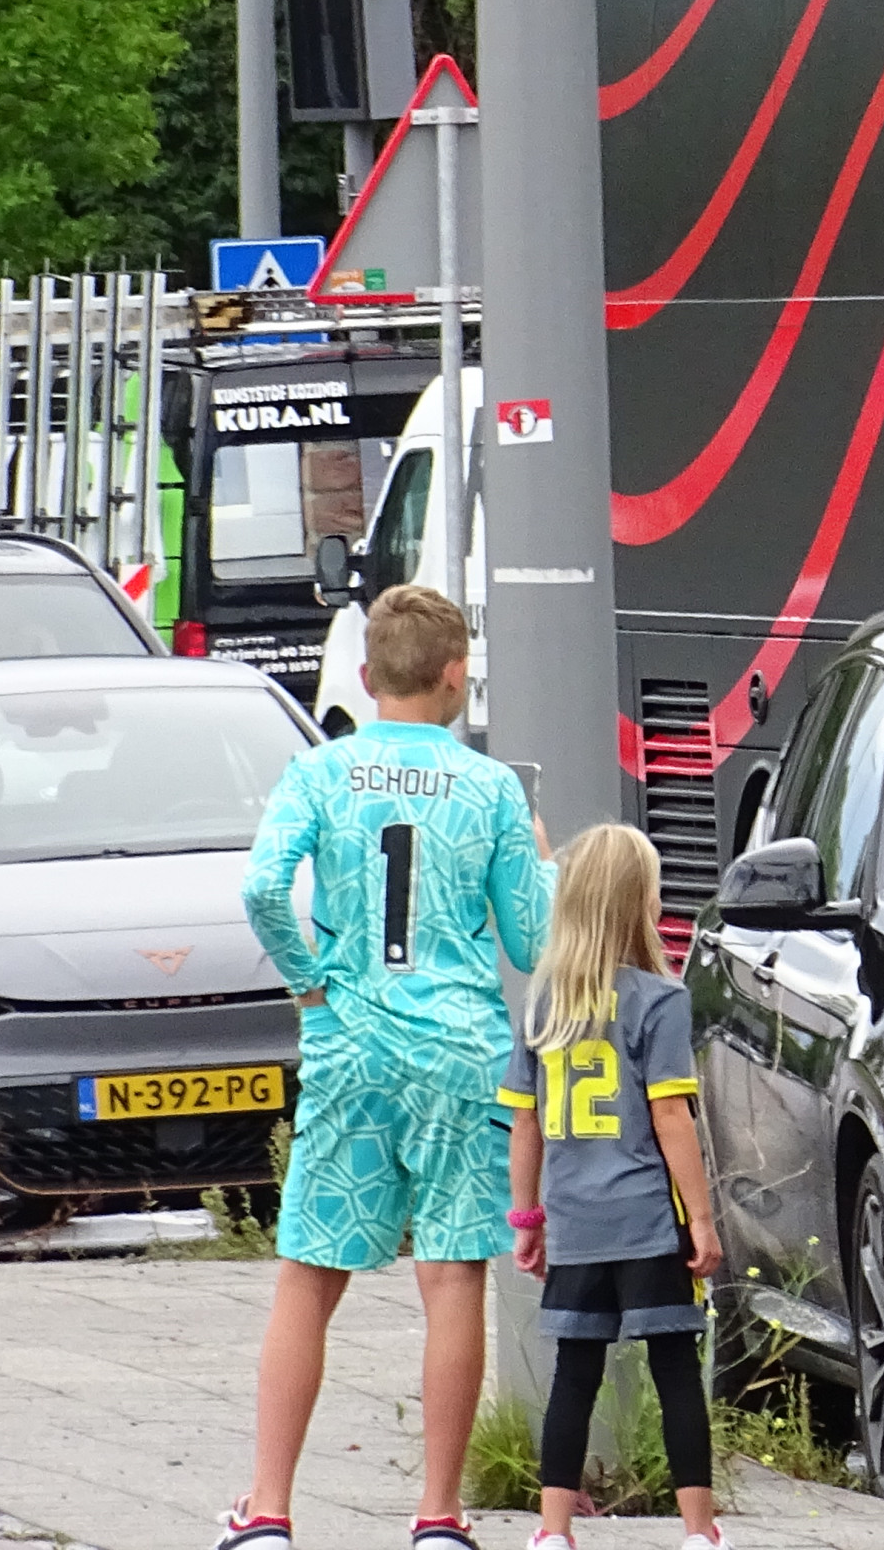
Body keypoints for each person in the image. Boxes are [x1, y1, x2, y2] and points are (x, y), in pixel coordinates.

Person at [229, 585, 554, 1550]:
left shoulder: (319, 775)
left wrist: (310, 981)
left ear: (367, 679)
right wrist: (539, 863)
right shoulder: (492, 789)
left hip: (352, 1048)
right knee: (453, 1277)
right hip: (457, 1052)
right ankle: (440, 1518)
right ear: (456, 677)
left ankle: (269, 1512)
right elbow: (532, 942)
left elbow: (259, 887)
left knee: (309, 1273)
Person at [504, 825, 727, 1550]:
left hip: (574, 1222)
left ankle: (553, 1530)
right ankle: (698, 1532)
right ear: (639, 902)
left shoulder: (541, 1007)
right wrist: (701, 1217)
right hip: (646, 1222)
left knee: (574, 1375)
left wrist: (529, 1216)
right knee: (674, 1369)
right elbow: (671, 1116)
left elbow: (526, 1127)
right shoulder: (658, 1002)